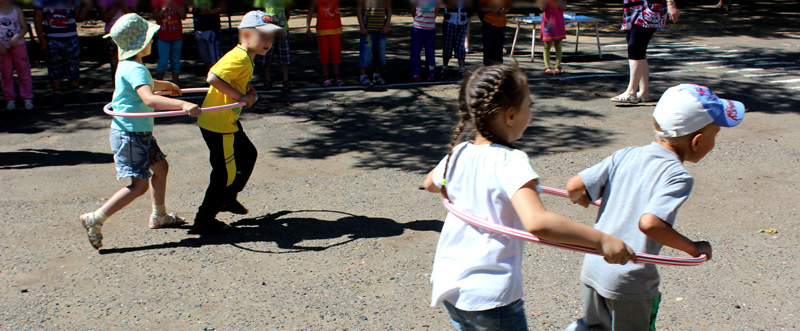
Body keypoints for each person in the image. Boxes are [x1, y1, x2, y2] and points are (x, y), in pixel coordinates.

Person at [422, 64, 636, 330]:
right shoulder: (511, 161)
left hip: (450, 283)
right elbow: (538, 222)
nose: (531, 113)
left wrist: (464, 188)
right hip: (489, 292)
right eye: (529, 106)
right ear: (511, 115)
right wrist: (603, 240)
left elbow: (430, 183)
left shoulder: (459, 152)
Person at [563, 84, 745, 330]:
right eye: (715, 136)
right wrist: (692, 248)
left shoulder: (626, 154)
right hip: (629, 280)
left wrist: (583, 198)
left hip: (595, 266)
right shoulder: (677, 176)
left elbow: (573, 187)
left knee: (595, 328)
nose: (714, 142)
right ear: (697, 141)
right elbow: (650, 223)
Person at [78, 13, 201, 250]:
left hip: (137, 132)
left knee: (161, 168)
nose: (152, 41)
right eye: (149, 38)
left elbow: (146, 85)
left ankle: (159, 215)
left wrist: (167, 85)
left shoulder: (128, 66)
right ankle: (96, 218)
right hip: (131, 135)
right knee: (139, 185)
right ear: (140, 44)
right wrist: (183, 104)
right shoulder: (136, 69)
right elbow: (149, 98)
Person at [191, 11, 281, 234]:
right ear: (246, 35)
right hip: (218, 124)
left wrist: (246, 89)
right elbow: (213, 77)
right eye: (263, 36)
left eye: (271, 37)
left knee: (248, 154)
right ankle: (204, 219)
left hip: (226, 121)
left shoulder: (246, 55)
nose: (268, 42)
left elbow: (232, 79)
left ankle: (228, 197)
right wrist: (241, 96)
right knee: (224, 173)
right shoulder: (240, 57)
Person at [611, 0, 679, 104]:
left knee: (635, 47)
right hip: (633, 7)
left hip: (650, 7)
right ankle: (644, 92)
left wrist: (671, 4)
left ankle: (631, 92)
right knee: (637, 48)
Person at [33, 0, 91, 106]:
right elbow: (37, 19)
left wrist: (87, 7)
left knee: (73, 65)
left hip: (71, 38)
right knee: (54, 67)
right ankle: (57, 92)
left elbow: (78, 17)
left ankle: (75, 90)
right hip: (52, 38)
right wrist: (41, 39)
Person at [0, 0, 34, 110]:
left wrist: (17, 37)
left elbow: (24, 27)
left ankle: (27, 97)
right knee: (6, 73)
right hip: (2, 48)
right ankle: (9, 98)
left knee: (23, 71)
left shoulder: (16, 10)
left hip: (18, 46)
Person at [253, 0, 292, 91]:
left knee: (284, 57)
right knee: (267, 56)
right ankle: (267, 80)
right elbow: (259, 12)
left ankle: (286, 80)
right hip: (268, 31)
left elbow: (287, 11)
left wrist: (283, 23)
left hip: (282, 30)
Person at [306, 0, 344, 86]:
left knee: (336, 52)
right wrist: (308, 28)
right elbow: (311, 11)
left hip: (335, 29)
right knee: (324, 53)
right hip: (322, 29)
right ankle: (326, 76)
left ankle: (336, 76)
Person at [356, 0, 391, 87]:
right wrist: (362, 27)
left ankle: (377, 74)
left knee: (380, 53)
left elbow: (388, 9)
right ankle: (363, 75)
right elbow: (359, 9)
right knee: (365, 53)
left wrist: (386, 26)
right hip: (367, 31)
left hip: (381, 31)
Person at [99, 0, 136, 76]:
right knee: (115, 64)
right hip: (112, 34)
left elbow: (134, 15)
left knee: (130, 62)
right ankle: (118, 82)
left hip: (128, 33)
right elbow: (105, 17)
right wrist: (116, 6)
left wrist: (122, 6)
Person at [153, 0, 186, 84]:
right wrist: (164, 8)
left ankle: (175, 84)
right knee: (163, 62)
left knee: (176, 61)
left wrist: (179, 8)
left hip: (177, 36)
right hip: (163, 37)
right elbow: (155, 17)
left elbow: (183, 17)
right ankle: (159, 84)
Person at [189, 0, 225, 71]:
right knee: (205, 58)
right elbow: (189, 8)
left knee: (216, 57)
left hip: (212, 29)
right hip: (198, 29)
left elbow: (223, 8)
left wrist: (209, 11)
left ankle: (219, 75)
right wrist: (193, 8)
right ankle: (209, 75)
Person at [409, 0, 438, 82]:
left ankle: (431, 71)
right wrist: (417, 19)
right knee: (415, 51)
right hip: (417, 27)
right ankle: (415, 72)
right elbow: (413, 8)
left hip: (430, 28)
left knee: (430, 52)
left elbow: (436, 10)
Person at [441, 0, 468, 79]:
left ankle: (462, 69)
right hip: (450, 20)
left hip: (462, 21)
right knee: (448, 45)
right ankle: (445, 67)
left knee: (460, 46)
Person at [479, 0, 510, 66]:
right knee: (489, 50)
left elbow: (508, 7)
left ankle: (498, 68)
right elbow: (480, 8)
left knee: (499, 51)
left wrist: (503, 11)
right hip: (488, 23)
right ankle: (488, 68)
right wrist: (491, 10)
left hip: (501, 24)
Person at [539, 0, 565, 76]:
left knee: (558, 44)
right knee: (547, 45)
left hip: (558, 21)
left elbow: (561, 6)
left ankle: (557, 66)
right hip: (548, 22)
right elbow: (542, 8)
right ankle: (547, 67)